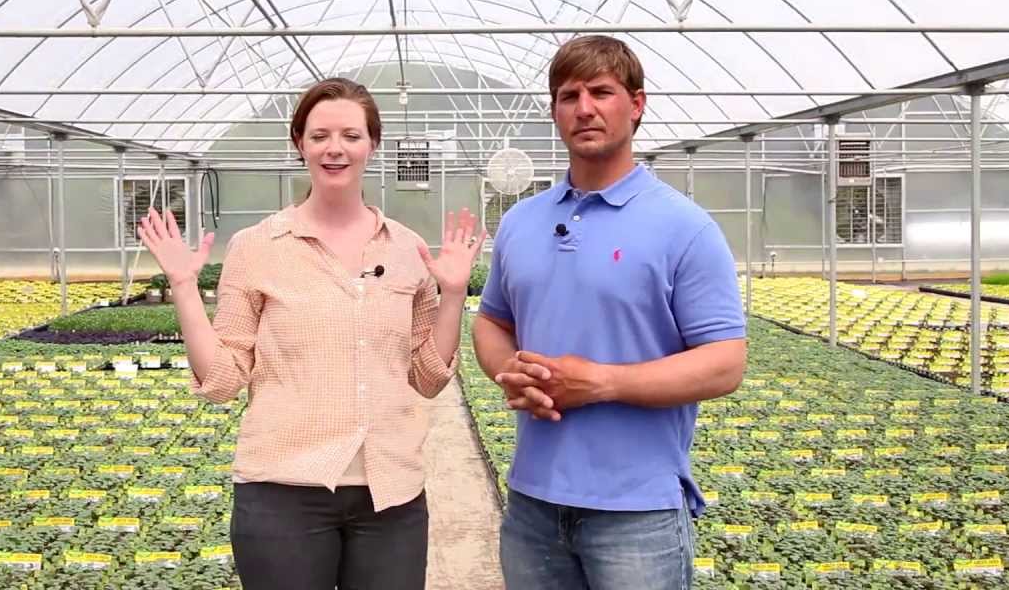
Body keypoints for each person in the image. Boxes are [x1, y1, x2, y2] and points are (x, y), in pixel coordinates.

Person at [137, 77, 486, 590]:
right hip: (283, 493)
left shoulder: (406, 248)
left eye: (350, 135)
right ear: (299, 143)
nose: (335, 149)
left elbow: (428, 377)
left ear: (373, 144)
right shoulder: (258, 246)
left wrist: (453, 295)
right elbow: (223, 380)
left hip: (390, 495)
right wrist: (185, 286)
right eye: (320, 135)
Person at [472, 35, 748, 590]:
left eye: (602, 92)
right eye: (569, 95)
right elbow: (492, 321)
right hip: (532, 504)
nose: (585, 108)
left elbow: (725, 362)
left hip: (636, 511)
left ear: (636, 104)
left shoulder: (683, 226)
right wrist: (510, 373)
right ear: (554, 111)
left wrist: (602, 382)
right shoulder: (521, 222)